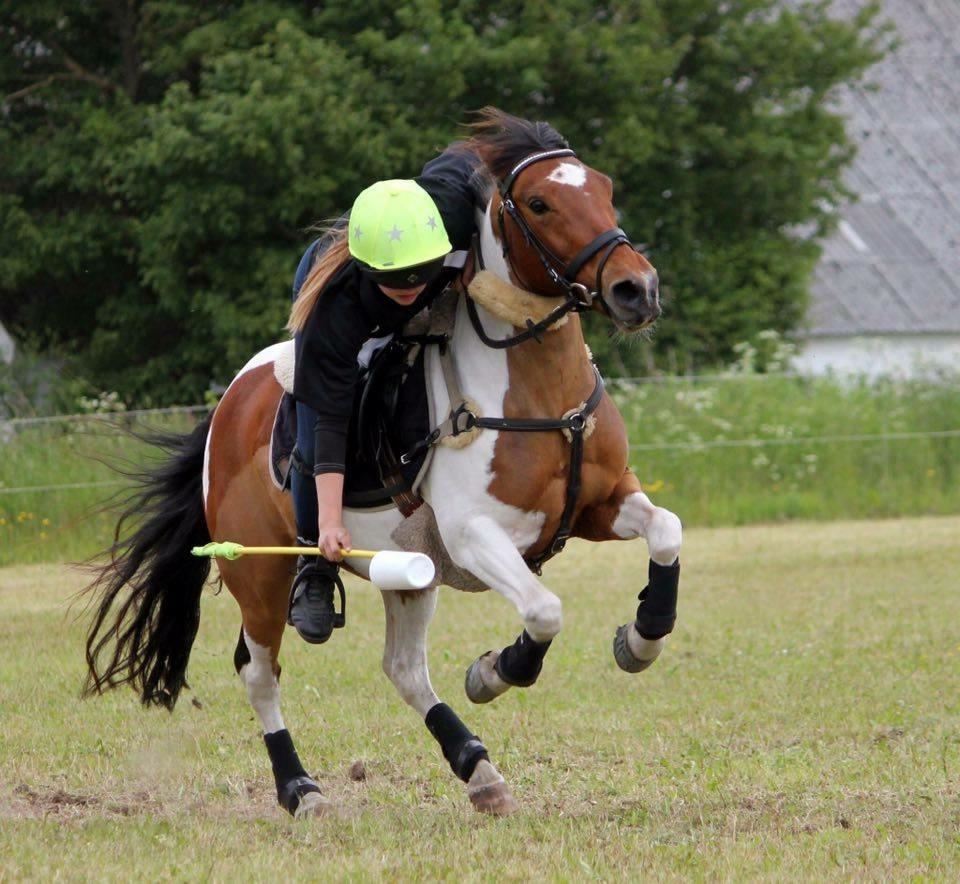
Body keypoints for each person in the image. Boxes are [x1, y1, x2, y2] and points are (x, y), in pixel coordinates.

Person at [285, 148, 480, 644]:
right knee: (314, 418)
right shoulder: (335, 304)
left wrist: (481, 252)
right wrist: (331, 523)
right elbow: (331, 420)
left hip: (423, 239)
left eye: (420, 279)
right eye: (396, 286)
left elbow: (486, 155)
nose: (410, 290)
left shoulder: (455, 206)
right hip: (334, 290)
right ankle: (313, 568)